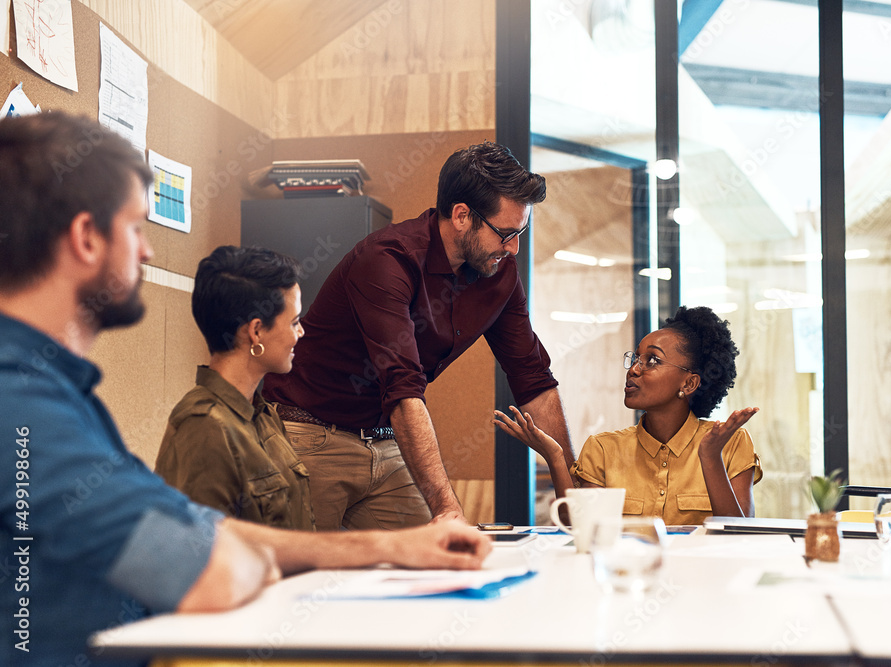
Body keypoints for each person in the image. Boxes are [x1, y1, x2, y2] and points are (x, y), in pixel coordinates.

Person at [0, 111, 491, 667]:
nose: (148, 253)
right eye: (136, 228)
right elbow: (210, 566)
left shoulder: (62, 395)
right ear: (87, 238)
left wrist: (391, 545)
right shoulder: (22, 406)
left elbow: (209, 533)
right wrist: (241, 550)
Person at [263, 141, 571, 529]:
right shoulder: (386, 260)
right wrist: (448, 509)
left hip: (384, 438)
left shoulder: (499, 273)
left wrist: (576, 502)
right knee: (306, 579)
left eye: (521, 232)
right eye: (506, 233)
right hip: (311, 433)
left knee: (440, 562)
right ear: (462, 216)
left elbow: (534, 379)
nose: (514, 248)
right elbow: (403, 385)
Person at [494, 306, 763, 526]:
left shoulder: (729, 442)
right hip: (626, 579)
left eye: (653, 360)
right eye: (635, 358)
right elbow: (580, 526)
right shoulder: (603, 448)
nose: (634, 369)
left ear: (689, 384)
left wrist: (711, 457)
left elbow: (739, 535)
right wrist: (554, 456)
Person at [156, 245, 314, 530]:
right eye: (294, 322)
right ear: (255, 332)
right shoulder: (204, 426)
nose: (301, 332)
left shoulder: (262, 414)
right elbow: (204, 554)